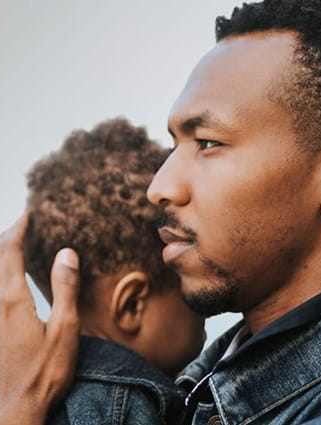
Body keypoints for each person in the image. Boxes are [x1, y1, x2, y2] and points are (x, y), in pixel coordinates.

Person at [0, 0, 321, 424]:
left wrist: (16, 406)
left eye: (207, 143)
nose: (159, 188)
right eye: (174, 146)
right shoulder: (201, 392)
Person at [23, 118, 205, 424]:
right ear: (132, 303)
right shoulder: (128, 405)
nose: (203, 307)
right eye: (185, 275)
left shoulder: (48, 401)